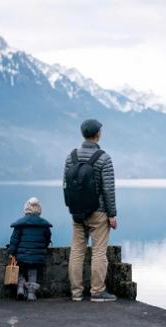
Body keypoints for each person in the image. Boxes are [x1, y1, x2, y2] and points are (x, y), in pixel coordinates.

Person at [64, 119, 118, 302]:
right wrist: (112, 214)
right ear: (98, 134)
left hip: (77, 212)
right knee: (99, 252)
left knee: (77, 251)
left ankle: (76, 293)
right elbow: (108, 189)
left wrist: (71, 208)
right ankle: (97, 292)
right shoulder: (104, 158)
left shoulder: (71, 157)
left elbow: (65, 186)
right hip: (99, 212)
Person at [7, 197, 52, 301]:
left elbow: (14, 240)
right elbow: (47, 238)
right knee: (32, 273)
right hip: (37, 256)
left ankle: (20, 289)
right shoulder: (44, 225)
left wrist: (12, 252)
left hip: (22, 256)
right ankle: (31, 294)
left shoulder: (20, 224)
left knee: (21, 271)